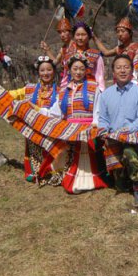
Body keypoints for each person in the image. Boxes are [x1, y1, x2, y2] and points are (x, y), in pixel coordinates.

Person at [45, 54, 107, 194]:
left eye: (81, 69)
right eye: (75, 69)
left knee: (86, 155)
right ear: (69, 70)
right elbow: (56, 112)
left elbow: (98, 110)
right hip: (70, 131)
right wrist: (39, 111)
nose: (78, 72)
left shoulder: (94, 87)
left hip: (88, 130)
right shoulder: (64, 91)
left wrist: (94, 126)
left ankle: (88, 181)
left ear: (86, 70)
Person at [98, 54, 138, 209]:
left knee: (129, 152)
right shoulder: (106, 94)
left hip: (134, 138)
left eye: (126, 67)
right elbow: (103, 118)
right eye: (118, 67)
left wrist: (128, 130)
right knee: (120, 185)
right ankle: (123, 180)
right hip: (114, 139)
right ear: (113, 71)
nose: (122, 70)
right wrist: (103, 130)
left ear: (132, 70)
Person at [8, 56, 58, 183]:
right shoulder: (29, 88)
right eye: (42, 70)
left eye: (49, 70)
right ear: (38, 72)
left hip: (51, 128)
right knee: (33, 149)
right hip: (33, 129)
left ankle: (52, 171)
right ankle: (35, 171)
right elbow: (10, 95)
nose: (46, 73)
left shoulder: (60, 90)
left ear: (54, 71)